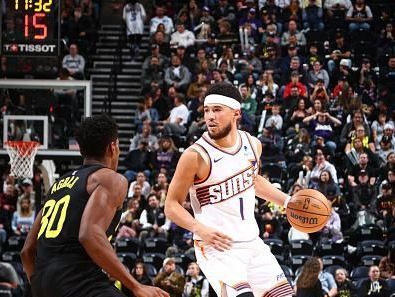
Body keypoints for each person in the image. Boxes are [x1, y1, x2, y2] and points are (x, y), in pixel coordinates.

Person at [165, 82, 294, 297]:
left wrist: (288, 201)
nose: (210, 117)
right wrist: (199, 229)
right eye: (207, 110)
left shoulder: (253, 144)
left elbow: (253, 180)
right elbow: (171, 205)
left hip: (253, 243)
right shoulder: (195, 155)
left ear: (236, 113)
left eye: (217, 110)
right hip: (218, 247)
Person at [21, 115, 169, 297]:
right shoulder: (111, 179)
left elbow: (27, 251)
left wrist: (40, 287)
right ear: (112, 147)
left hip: (41, 282)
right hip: (78, 279)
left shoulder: (59, 185)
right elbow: (89, 234)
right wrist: (136, 286)